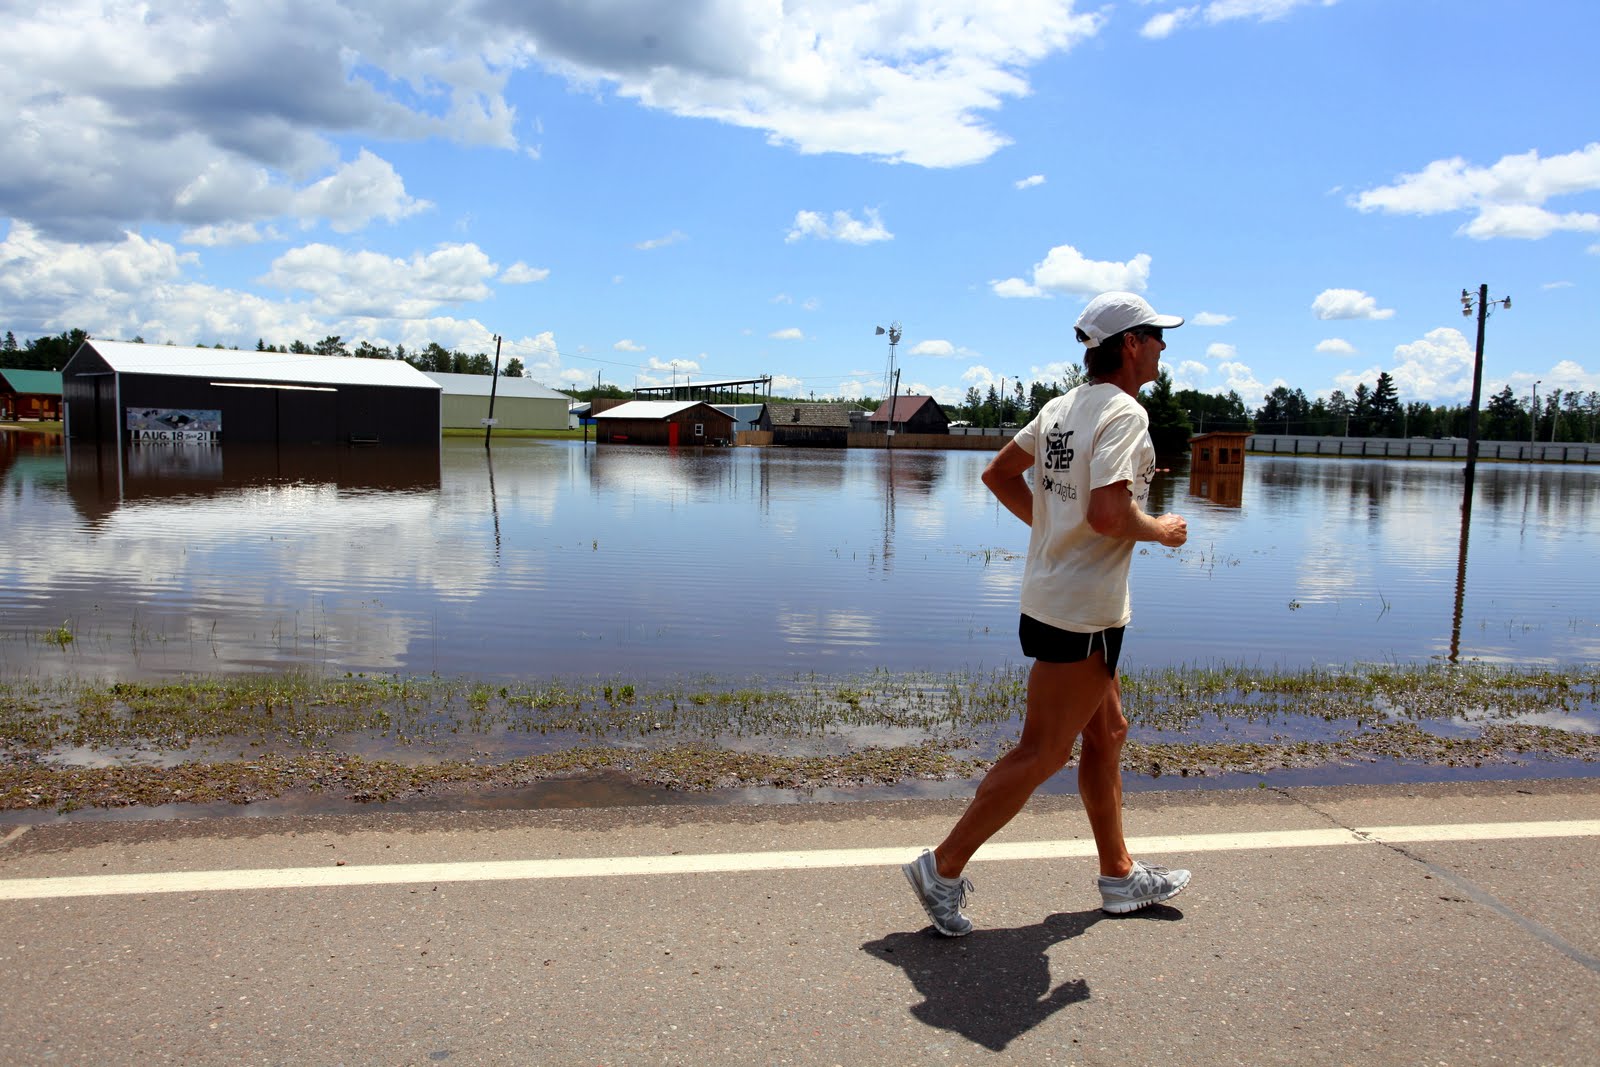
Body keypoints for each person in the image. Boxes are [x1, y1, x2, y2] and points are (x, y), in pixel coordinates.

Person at [903, 291, 1193, 936]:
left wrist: (1054, 529)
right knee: (1042, 751)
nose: (1163, 346)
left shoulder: (1062, 408)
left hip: (1059, 598)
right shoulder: (1124, 412)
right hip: (1082, 612)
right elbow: (1110, 515)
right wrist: (1162, 529)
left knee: (1107, 734)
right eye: (1155, 335)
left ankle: (1118, 875)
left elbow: (999, 476)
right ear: (1130, 344)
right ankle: (942, 867)